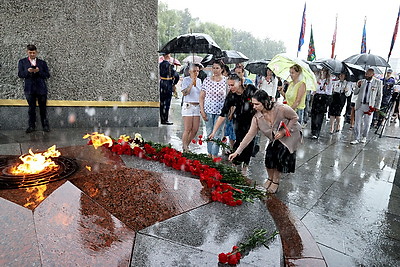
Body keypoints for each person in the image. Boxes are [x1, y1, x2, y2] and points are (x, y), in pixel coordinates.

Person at [228, 90, 302, 193]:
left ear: (265, 102)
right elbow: (250, 135)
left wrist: (285, 131)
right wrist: (237, 152)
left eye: (257, 104)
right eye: (253, 104)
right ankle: (270, 178)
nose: (254, 107)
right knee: (269, 156)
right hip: (276, 137)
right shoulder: (257, 117)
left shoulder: (281, 108)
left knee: (278, 155)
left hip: (291, 134)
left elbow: (295, 117)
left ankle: (275, 181)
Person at [209, 73, 257, 174]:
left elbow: (261, 100)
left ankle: (245, 166)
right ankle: (236, 163)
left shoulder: (250, 89)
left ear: (239, 82)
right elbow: (222, 115)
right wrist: (214, 131)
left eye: (232, 85)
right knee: (239, 141)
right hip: (238, 121)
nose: (230, 87)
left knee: (249, 143)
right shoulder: (231, 96)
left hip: (252, 121)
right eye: (229, 85)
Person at [18, 44, 50, 133]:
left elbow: (47, 75)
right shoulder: (22, 62)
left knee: (43, 108)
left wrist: (39, 71)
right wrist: (28, 71)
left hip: (41, 88)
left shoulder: (42, 63)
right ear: (27, 52)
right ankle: (31, 126)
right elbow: (20, 74)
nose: (32, 54)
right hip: (29, 89)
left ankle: (45, 126)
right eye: (30, 53)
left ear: (36, 52)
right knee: (31, 108)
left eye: (33, 53)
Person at [199, 62, 227, 158]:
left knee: (217, 134)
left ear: (222, 69)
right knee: (209, 132)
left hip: (221, 112)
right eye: (213, 68)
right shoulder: (207, 80)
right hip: (208, 110)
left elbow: (228, 98)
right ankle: (209, 154)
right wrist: (202, 111)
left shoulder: (225, 81)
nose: (215, 70)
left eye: (217, 68)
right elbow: (201, 97)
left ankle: (214, 155)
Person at [350, 68, 382, 144]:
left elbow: (379, 96)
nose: (366, 75)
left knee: (367, 123)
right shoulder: (362, 81)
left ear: (372, 75)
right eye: (366, 73)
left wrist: (377, 106)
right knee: (357, 122)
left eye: (368, 74)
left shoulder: (378, 82)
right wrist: (358, 86)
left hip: (369, 105)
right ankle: (356, 138)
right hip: (360, 104)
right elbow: (355, 93)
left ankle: (364, 136)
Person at [180, 64, 202, 152]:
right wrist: (191, 84)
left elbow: (201, 93)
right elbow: (185, 93)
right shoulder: (186, 80)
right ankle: (184, 147)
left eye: (197, 71)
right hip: (188, 105)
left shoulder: (200, 81)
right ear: (189, 71)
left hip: (197, 106)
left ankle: (187, 144)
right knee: (188, 128)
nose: (196, 73)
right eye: (194, 71)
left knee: (195, 129)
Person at [310, 68, 332, 139]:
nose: (322, 72)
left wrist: (325, 90)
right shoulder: (317, 80)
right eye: (322, 71)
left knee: (320, 115)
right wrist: (314, 91)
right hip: (316, 96)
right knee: (314, 114)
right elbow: (312, 89)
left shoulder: (328, 81)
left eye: (324, 71)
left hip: (323, 97)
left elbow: (330, 92)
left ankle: (317, 131)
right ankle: (313, 130)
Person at [159, 53, 177, 125]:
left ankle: (162, 119)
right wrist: (174, 83)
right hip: (168, 84)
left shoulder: (160, 64)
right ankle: (165, 119)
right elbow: (176, 76)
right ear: (167, 56)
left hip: (162, 83)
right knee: (167, 103)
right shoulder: (170, 65)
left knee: (162, 103)